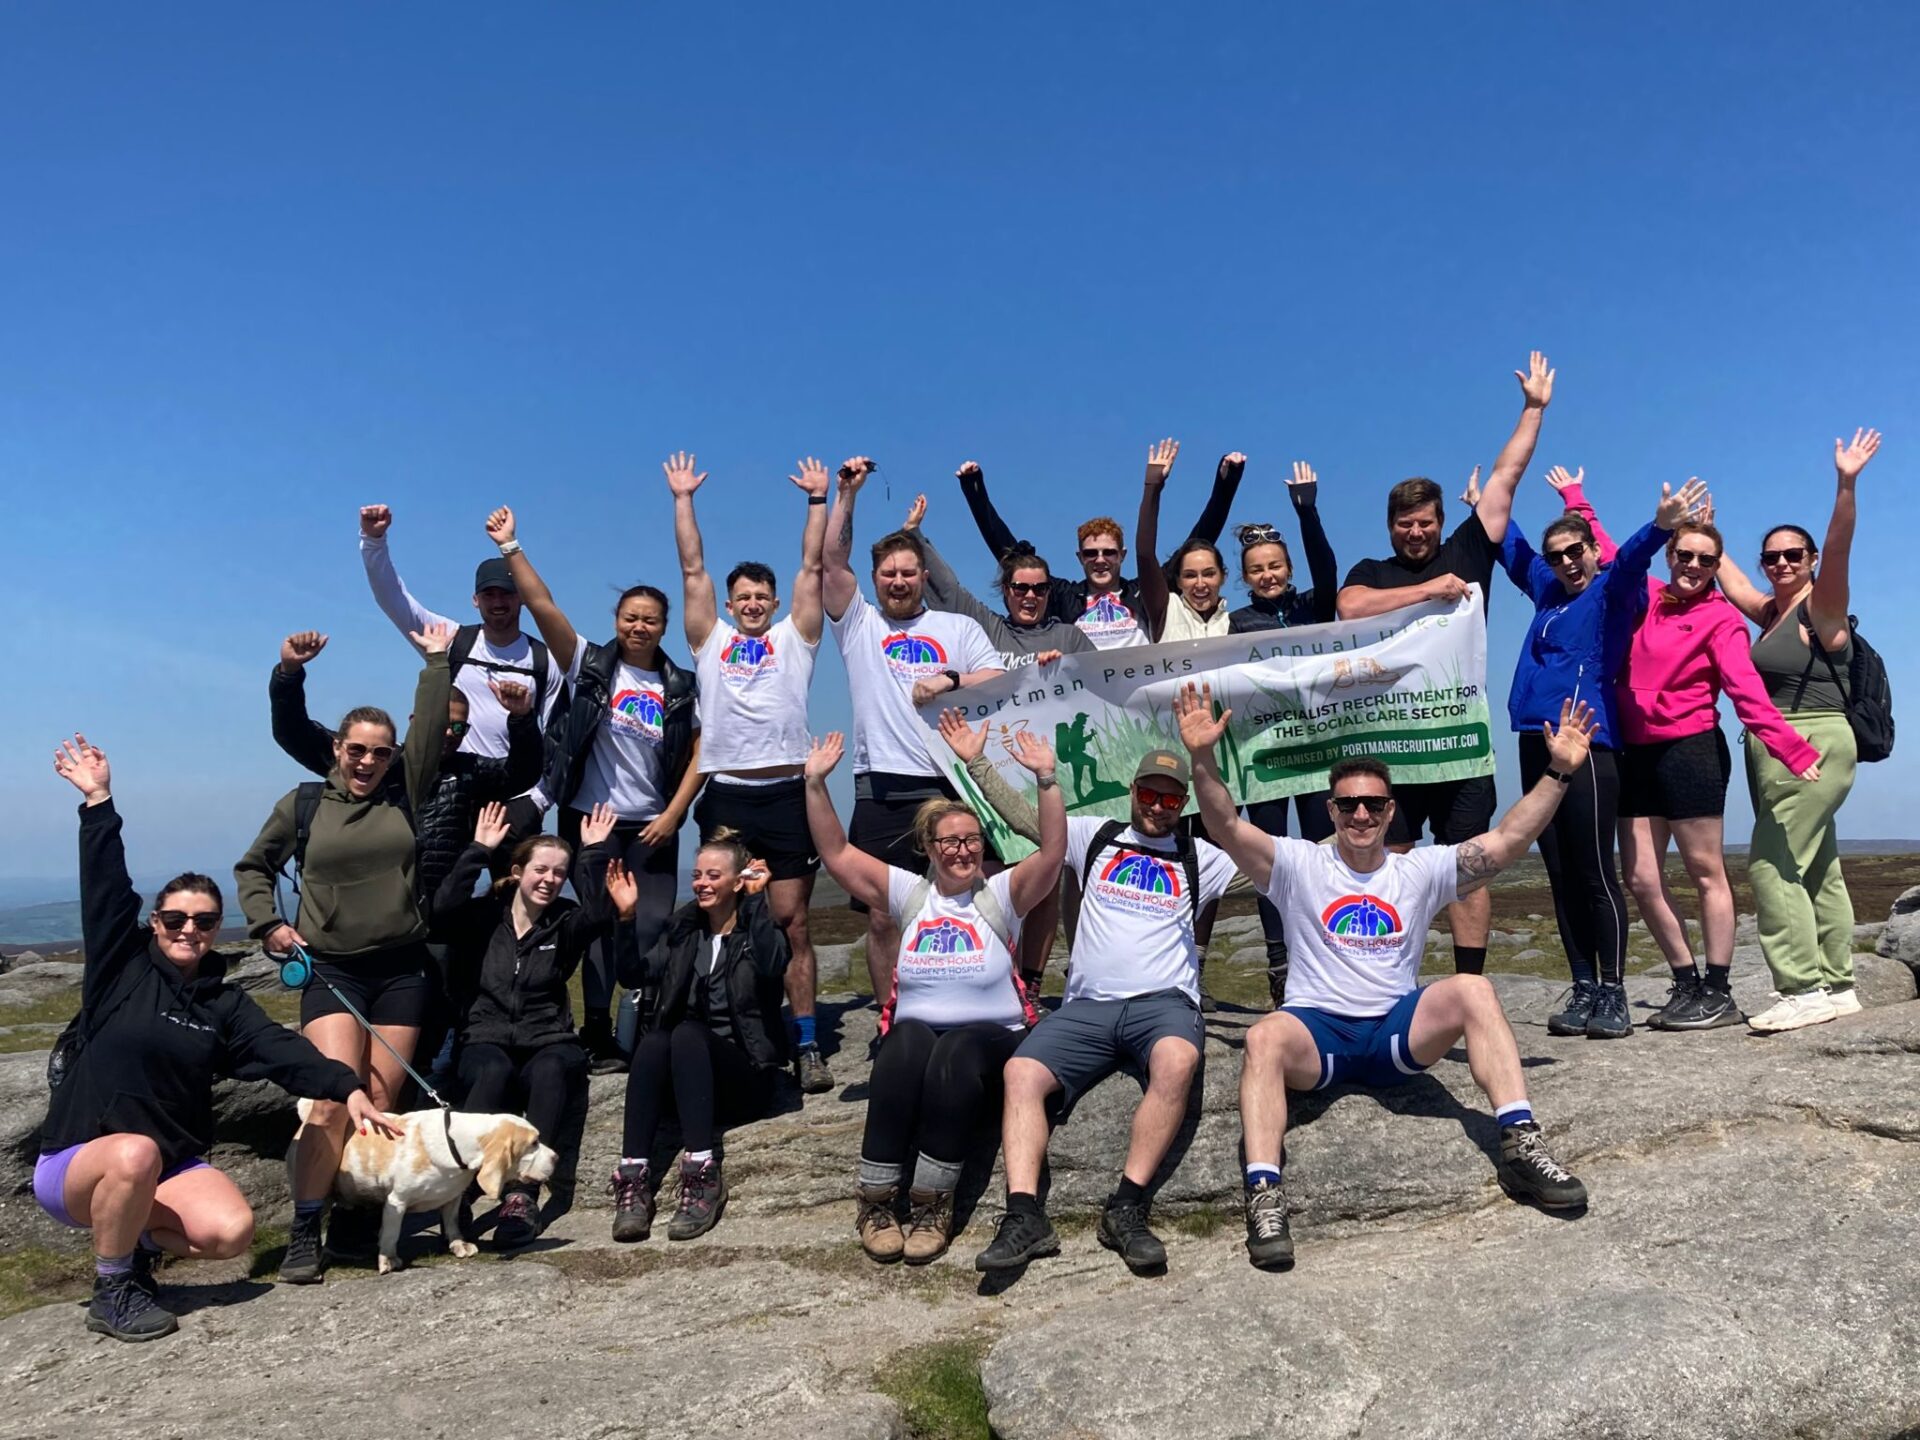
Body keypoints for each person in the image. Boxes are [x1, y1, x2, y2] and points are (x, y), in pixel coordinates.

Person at [1172, 682, 1595, 1270]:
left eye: (1373, 803)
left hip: (1398, 1036)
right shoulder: (1297, 863)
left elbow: (1507, 841)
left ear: (1391, 809)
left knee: (1474, 988)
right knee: (1265, 1035)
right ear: (1331, 810)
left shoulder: (1418, 868)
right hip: (1316, 1037)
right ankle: (1265, 1195)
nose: (1362, 814)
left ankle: (1522, 1144)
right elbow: (1224, 825)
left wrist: (1559, 772)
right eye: (1348, 804)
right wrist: (1200, 757)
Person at [37, 737, 400, 1342]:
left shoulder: (223, 1004)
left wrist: (346, 1086)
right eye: (174, 919)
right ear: (155, 923)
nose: (188, 930)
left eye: (204, 921)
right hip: (79, 1162)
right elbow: (105, 888)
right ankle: (113, 1286)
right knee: (134, 1152)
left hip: (165, 1164)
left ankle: (137, 1248)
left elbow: (279, 1050)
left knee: (230, 1233)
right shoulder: (119, 969)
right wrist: (98, 802)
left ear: (215, 930)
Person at [1561, 479, 1823, 1031]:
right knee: (1640, 877)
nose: (1693, 566)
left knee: (1705, 871)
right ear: (1670, 552)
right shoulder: (1646, 596)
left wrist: (1791, 749)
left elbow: (1746, 691)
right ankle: (1686, 981)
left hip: (1691, 749)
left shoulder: (1722, 619)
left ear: (1716, 565)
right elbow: (1611, 550)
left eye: (1706, 560)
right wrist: (1577, 500)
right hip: (1636, 753)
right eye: (1684, 554)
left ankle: (1719, 988)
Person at [233, 627, 451, 1286]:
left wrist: (436, 663)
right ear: (338, 748)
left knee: (381, 1099)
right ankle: (305, 1224)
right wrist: (267, 923)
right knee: (331, 1098)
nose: (365, 762)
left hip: (401, 969)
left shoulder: (407, 794)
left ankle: (354, 1216)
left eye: (379, 753)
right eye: (355, 750)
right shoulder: (302, 805)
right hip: (332, 968)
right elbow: (254, 866)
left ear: (393, 757)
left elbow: (434, 725)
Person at [805, 727, 1066, 1264]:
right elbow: (835, 852)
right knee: (900, 1047)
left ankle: (931, 1202)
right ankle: (876, 1199)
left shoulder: (1002, 893)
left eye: (971, 839)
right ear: (928, 847)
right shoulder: (910, 893)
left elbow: (1054, 851)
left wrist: (1046, 778)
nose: (963, 850)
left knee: (956, 1051)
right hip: (920, 1035)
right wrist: (814, 785)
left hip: (993, 1041)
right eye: (949, 841)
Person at [973, 749, 1237, 1276]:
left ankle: (1127, 1208)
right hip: (1088, 1006)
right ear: (1132, 790)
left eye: (1170, 799)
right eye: (1148, 794)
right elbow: (1027, 819)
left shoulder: (1202, 857)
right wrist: (982, 764)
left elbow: (1288, 863)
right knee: (1021, 1071)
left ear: (1183, 804)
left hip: (1164, 1004)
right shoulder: (1094, 835)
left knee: (1178, 1063)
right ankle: (1025, 1217)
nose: (1158, 807)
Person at [1335, 354, 1556, 979]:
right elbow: (1350, 606)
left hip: (1458, 740)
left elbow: (1507, 478)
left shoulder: (1467, 547)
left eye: (1426, 522)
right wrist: (1427, 591)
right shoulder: (1372, 573)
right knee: (1390, 860)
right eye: (1405, 524)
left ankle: (1469, 983)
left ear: (1440, 522)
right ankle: (1387, 976)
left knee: (1467, 864)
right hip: (1393, 747)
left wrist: (1533, 410)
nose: (1416, 533)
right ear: (1390, 526)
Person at [269, 629, 544, 1094]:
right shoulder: (375, 767)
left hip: (443, 920)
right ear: (420, 720)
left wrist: (520, 720)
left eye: (459, 728)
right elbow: (295, 733)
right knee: (361, 1055)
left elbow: (523, 772)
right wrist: (289, 674)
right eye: (442, 724)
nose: (449, 734)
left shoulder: (470, 772)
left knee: (434, 1029)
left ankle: (418, 1119)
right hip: (382, 929)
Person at [484, 505, 703, 1073]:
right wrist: (512, 546)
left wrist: (676, 814)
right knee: (597, 926)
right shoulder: (589, 665)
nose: (639, 627)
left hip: (653, 823)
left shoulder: (680, 684)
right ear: (617, 619)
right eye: (630, 617)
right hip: (588, 819)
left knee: (651, 924)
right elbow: (542, 605)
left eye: (651, 620)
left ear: (664, 625)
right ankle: (599, 1029)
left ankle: (650, 1021)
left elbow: (703, 749)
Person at [1497, 476, 1709, 1039]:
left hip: (1588, 740)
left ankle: (1613, 992)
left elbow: (1636, 558)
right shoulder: (1546, 590)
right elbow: (1507, 546)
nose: (1567, 563)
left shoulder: (1612, 590)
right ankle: (1583, 984)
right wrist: (1487, 500)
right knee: (1560, 872)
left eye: (1576, 551)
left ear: (1592, 551)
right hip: (1534, 738)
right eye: (1557, 556)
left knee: (1593, 870)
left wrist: (1662, 525)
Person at [667, 451, 834, 1094]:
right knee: (724, 915)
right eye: (745, 598)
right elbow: (691, 568)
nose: (755, 604)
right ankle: (731, 1024)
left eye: (763, 596)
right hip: (727, 793)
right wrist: (684, 498)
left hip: (786, 792)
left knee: (792, 920)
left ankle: (808, 1041)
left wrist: (817, 501)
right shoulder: (710, 639)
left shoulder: (799, 636)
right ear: (732, 606)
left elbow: (813, 567)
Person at [1713, 429, 1880, 1032]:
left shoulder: (1822, 608)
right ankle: (1838, 985)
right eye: (1772, 556)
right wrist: (1702, 528)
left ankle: (1800, 987)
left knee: (1772, 861)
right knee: (1818, 866)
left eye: (1793, 555)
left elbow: (1839, 551)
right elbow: (1725, 577)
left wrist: (1845, 484)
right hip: (1776, 747)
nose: (1782, 563)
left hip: (1810, 742)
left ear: (1808, 562)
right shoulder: (1769, 613)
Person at [823, 458, 1006, 999]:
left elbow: (996, 677)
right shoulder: (859, 622)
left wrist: (948, 679)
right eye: (888, 574)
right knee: (882, 914)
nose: (898, 581)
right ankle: (889, 1015)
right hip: (882, 782)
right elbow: (832, 563)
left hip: (953, 781)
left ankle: (979, 994)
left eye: (908, 572)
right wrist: (847, 495)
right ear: (875, 578)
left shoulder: (958, 626)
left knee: (975, 898)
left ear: (924, 575)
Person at [907, 485, 1093, 984]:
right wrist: (915, 537)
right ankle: (988, 975)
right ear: (1006, 591)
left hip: (1049, 781)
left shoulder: (1070, 636)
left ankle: (1029, 981)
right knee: (987, 880)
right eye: (1019, 588)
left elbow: (1102, 691)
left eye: (1039, 588)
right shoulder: (985, 627)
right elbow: (946, 588)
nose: (1029, 596)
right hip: (988, 780)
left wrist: (1068, 666)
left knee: (1046, 881)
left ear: (1050, 590)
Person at [429, 802, 634, 1247]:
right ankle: (460, 1189)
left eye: (560, 873)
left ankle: (522, 1195)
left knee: (551, 1069)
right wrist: (479, 850)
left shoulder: (566, 921)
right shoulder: (483, 917)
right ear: (519, 871)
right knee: (492, 1072)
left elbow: (599, 914)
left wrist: (593, 852)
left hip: (548, 1037)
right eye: (541, 869)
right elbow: (441, 910)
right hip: (485, 1035)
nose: (550, 880)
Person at [609, 831, 789, 1244]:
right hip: (688, 1081)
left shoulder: (756, 930)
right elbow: (633, 975)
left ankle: (702, 1171)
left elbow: (774, 964)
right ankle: (633, 1176)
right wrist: (625, 918)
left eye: (713, 875)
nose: (702, 883)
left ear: (738, 881)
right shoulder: (684, 932)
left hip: (746, 1079)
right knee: (655, 1041)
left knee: (688, 1034)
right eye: (696, 875)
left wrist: (760, 902)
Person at [357, 504, 565, 853]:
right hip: (452, 792)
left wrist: (538, 802)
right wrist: (374, 540)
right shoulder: (452, 641)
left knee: (512, 902)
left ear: (522, 599)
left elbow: (561, 741)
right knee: (445, 895)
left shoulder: (545, 661)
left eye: (506, 593)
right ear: (475, 600)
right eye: (489, 594)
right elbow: (393, 599)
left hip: (515, 800)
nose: (498, 602)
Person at [1226, 461, 1341, 1005]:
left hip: (1318, 754)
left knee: (1321, 854)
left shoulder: (1312, 605)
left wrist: (1307, 510)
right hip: (1265, 756)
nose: (1268, 575)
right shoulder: (1236, 624)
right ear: (1244, 577)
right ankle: (1278, 961)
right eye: (1256, 570)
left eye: (1275, 566)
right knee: (1268, 861)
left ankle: (1326, 953)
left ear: (1287, 567)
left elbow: (1327, 567)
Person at [954, 446, 1247, 649]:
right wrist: (975, 491)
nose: (1100, 560)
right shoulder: (1065, 597)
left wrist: (1226, 483)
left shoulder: (1142, 591)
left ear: (1122, 556)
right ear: (1079, 558)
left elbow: (1199, 541)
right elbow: (1011, 556)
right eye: (1091, 554)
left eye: (1109, 552)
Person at [1138, 442, 1247, 642]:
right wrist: (1152, 486)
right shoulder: (1166, 611)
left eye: (1209, 574)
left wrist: (1227, 485)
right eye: (1189, 575)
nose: (1200, 584)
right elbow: (1145, 554)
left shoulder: (1238, 624)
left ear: (1223, 576)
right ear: (1177, 581)